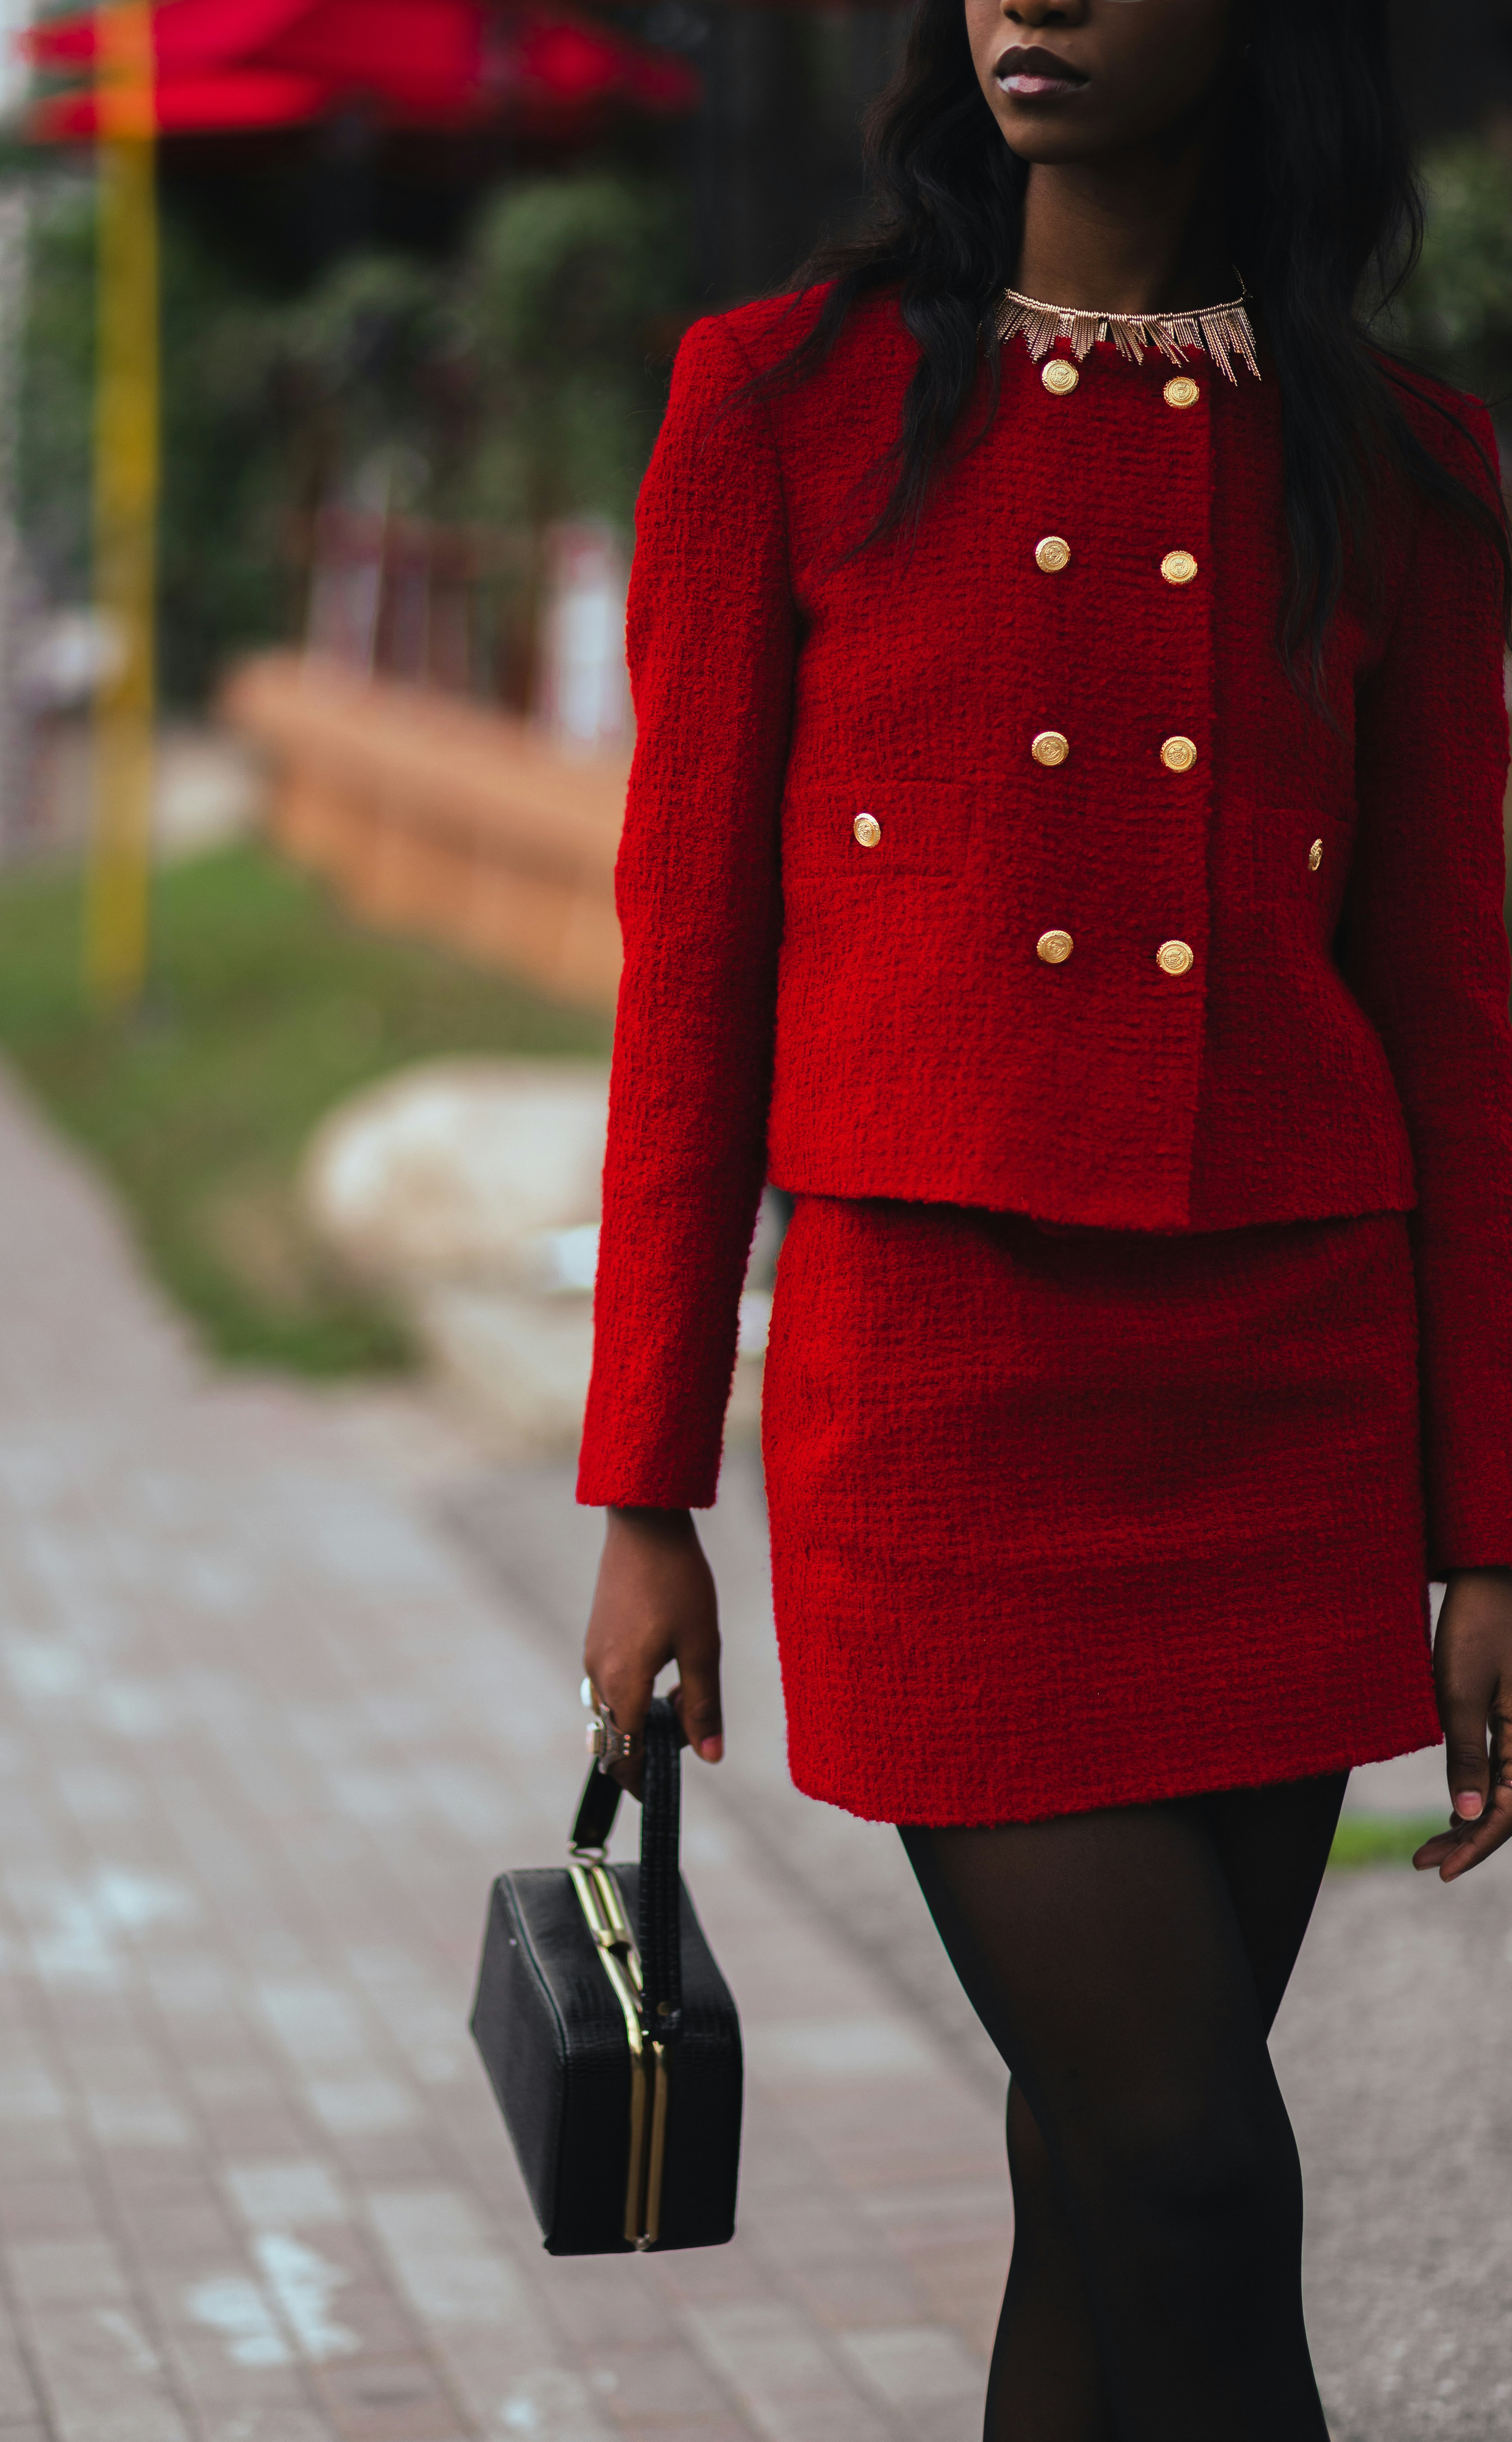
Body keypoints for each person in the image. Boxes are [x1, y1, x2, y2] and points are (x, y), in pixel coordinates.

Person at [577, 0, 1512, 2432]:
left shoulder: (1398, 463)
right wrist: (647, 1489)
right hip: (952, 1412)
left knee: (1103, 2197)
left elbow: (1457, 1018)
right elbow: (691, 968)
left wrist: (1492, 1525)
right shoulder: (783, 402)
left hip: (1286, 1408)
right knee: (1199, 2171)